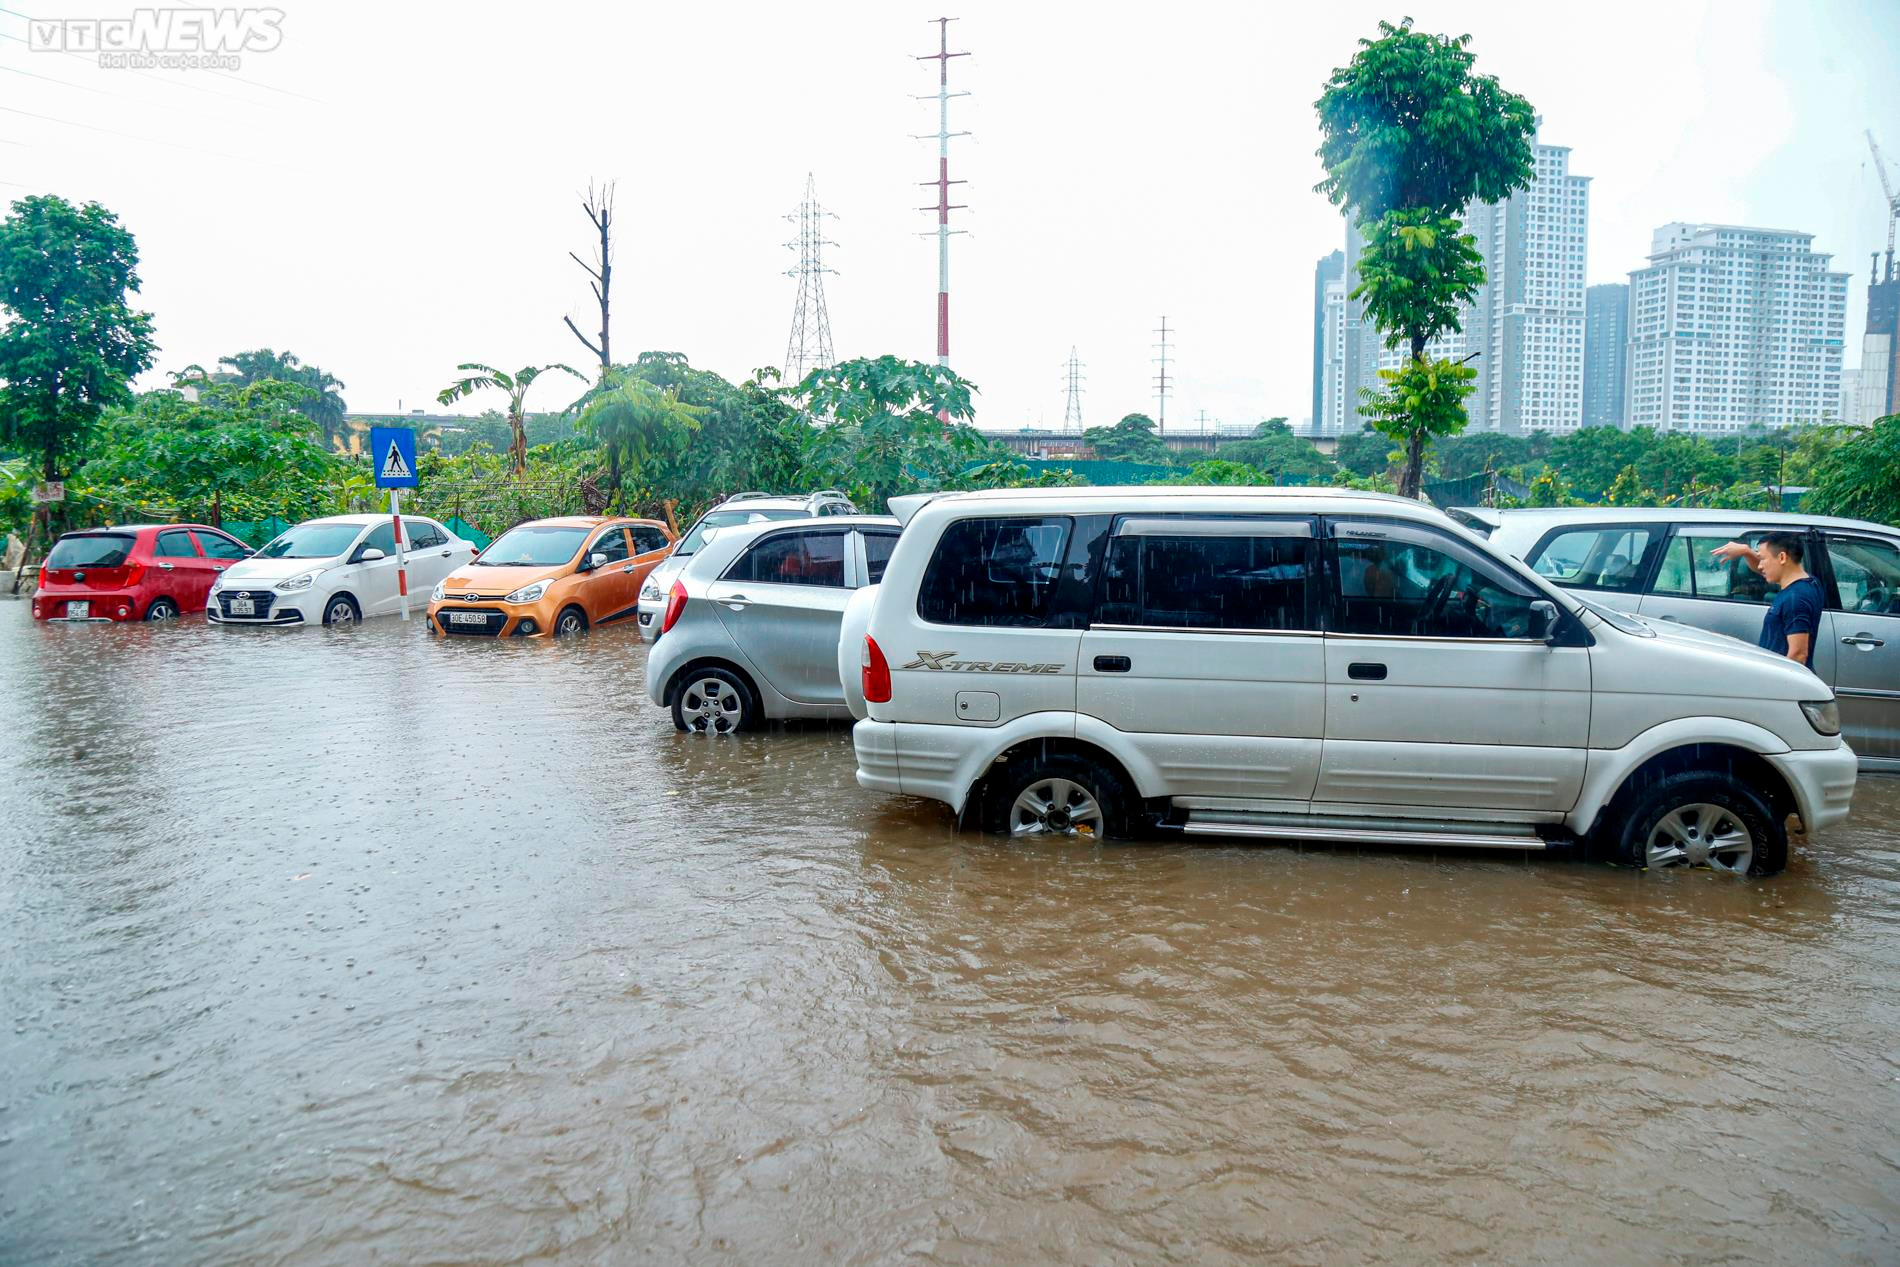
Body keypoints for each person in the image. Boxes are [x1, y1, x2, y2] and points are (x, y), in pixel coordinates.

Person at [1709, 532, 1823, 669]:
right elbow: (1767, 570)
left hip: (1782, 684)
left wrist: (1772, 686)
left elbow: (1798, 655)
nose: (1760, 566)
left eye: (1763, 559)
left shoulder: (1796, 599)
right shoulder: (1808, 583)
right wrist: (1746, 551)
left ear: (1782, 557)